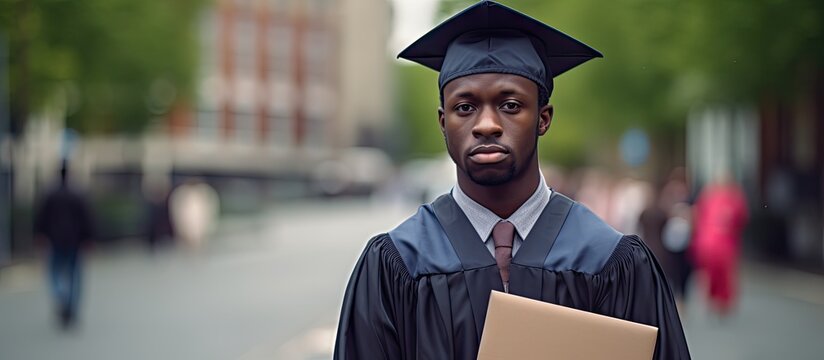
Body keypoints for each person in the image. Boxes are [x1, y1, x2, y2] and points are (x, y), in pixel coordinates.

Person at [334, 2, 690, 359]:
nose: (486, 124)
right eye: (465, 107)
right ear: (443, 123)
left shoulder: (610, 260)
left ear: (544, 118)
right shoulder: (397, 264)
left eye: (510, 105)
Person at [34, 161, 94, 329]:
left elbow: (41, 217)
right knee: (75, 275)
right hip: (75, 240)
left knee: (55, 272)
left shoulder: (49, 194)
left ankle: (61, 296)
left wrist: (40, 235)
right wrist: (89, 238)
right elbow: (87, 218)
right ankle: (70, 305)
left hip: (54, 240)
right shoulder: (79, 193)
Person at [691, 172, 748, 317]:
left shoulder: (726, 198)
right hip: (716, 243)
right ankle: (716, 301)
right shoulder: (728, 198)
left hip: (716, 243)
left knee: (716, 274)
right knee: (716, 274)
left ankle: (715, 301)